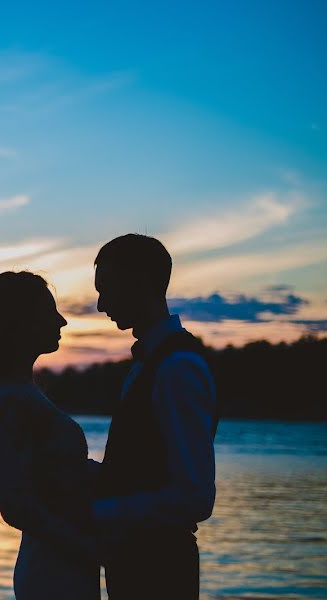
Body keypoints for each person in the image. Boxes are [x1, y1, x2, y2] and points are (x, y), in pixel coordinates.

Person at [90, 234, 217, 599]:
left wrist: (100, 511)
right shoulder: (154, 362)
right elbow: (144, 467)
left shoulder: (177, 368)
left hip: (159, 572)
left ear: (141, 282)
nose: (100, 305)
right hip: (137, 565)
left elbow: (194, 496)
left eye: (107, 288)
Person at [0, 271, 99, 600]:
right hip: (53, 569)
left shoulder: (23, 392)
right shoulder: (13, 400)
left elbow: (52, 477)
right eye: (49, 312)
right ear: (21, 322)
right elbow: (16, 505)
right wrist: (90, 550)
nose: (62, 321)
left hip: (65, 562)